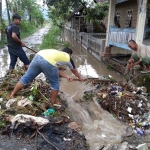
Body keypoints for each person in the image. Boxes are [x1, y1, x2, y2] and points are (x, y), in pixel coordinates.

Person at [10, 48, 83, 106]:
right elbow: (74, 71)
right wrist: (79, 77)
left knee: (26, 77)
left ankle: (12, 94)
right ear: (70, 54)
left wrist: (66, 76)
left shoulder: (56, 53)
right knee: (55, 83)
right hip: (47, 62)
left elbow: (55, 69)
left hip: (38, 56)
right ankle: (53, 101)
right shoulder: (68, 58)